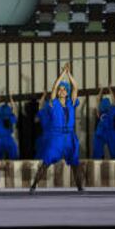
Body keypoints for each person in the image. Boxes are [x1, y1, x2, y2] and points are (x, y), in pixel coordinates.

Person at [30, 63, 83, 193]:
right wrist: (62, 74)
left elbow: (75, 87)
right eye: (61, 89)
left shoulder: (71, 103)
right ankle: (34, 185)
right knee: (47, 161)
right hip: (57, 137)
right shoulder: (53, 103)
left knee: (75, 163)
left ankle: (80, 187)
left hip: (69, 136)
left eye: (64, 89)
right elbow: (53, 88)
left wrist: (69, 73)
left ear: (67, 93)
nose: (62, 91)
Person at [92, 86, 115, 159]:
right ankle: (98, 161)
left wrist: (108, 89)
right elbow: (99, 99)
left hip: (108, 131)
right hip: (102, 132)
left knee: (114, 151)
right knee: (97, 151)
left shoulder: (111, 110)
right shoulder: (101, 112)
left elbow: (112, 101)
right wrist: (104, 89)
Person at [0, 94, 19, 160]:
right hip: (9, 140)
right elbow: (14, 110)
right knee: (14, 158)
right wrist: (11, 99)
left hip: (0, 140)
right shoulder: (10, 117)